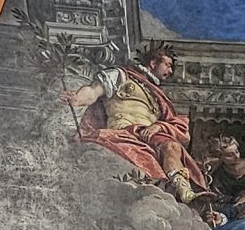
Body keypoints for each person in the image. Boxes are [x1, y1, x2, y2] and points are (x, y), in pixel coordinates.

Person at [62, 43, 208, 201]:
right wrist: (77, 98)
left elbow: (177, 126)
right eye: (168, 65)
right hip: (123, 130)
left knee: (172, 146)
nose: (171, 71)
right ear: (153, 63)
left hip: (149, 137)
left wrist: (158, 126)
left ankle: (184, 191)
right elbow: (93, 91)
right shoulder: (121, 75)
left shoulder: (158, 97)